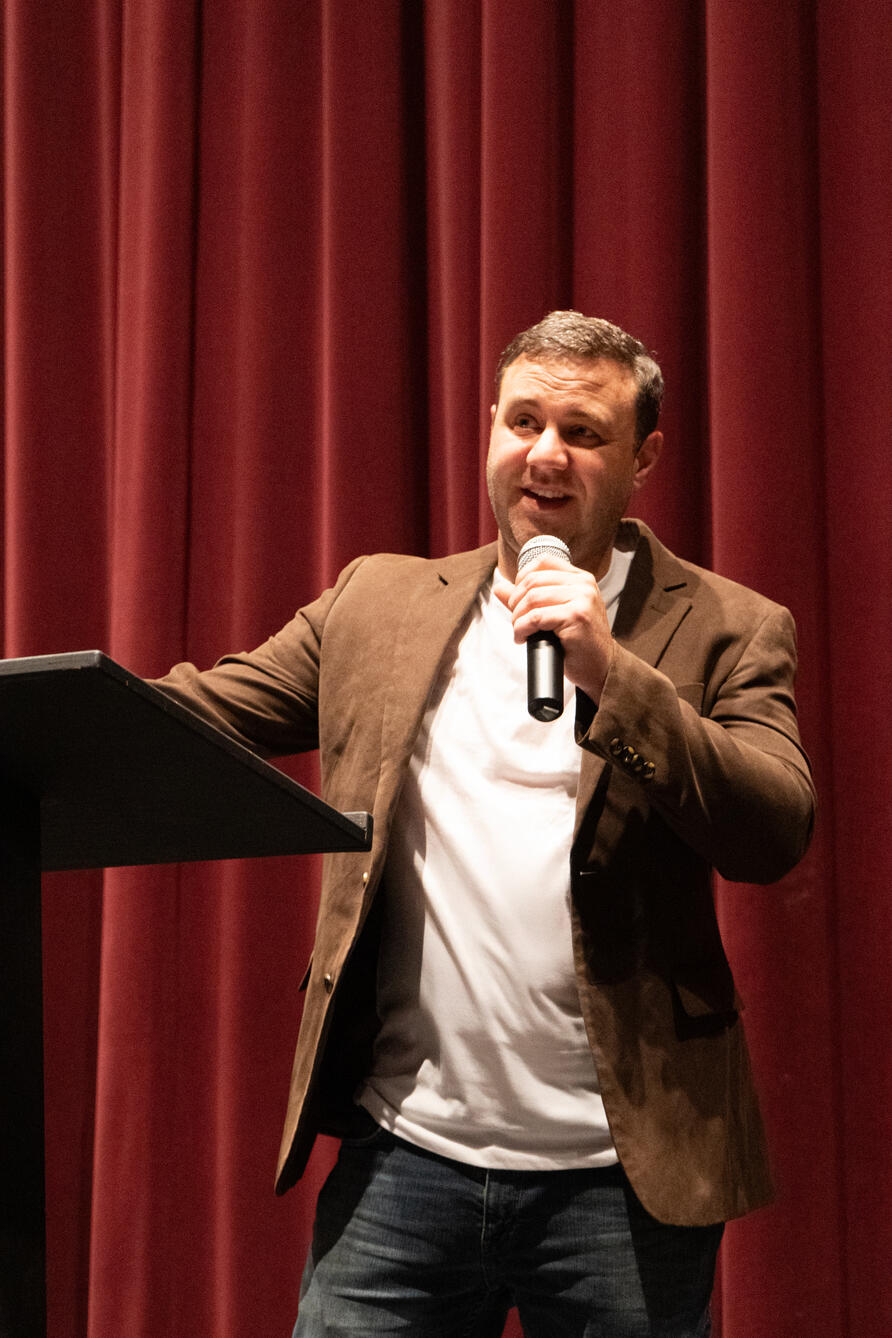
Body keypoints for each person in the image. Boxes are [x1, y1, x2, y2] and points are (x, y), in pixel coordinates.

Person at [157, 311, 815, 1336]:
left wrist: (611, 674)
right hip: (403, 1159)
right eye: (523, 421)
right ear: (491, 431)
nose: (545, 454)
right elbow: (197, 717)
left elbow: (774, 829)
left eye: (583, 432)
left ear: (641, 458)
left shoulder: (729, 626)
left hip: (620, 1177)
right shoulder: (379, 602)